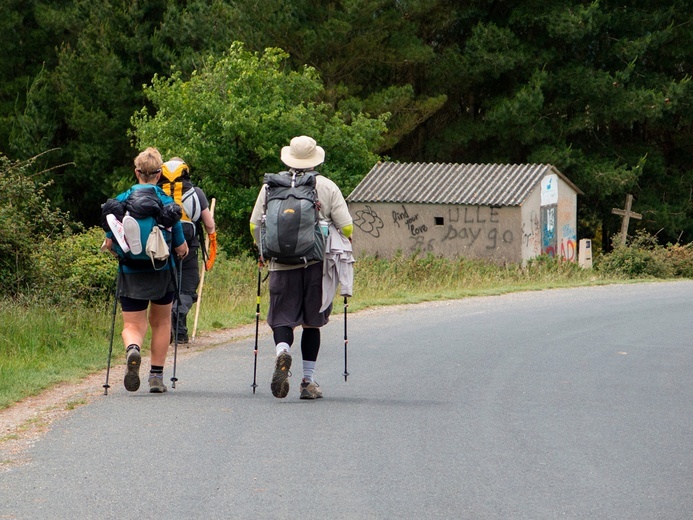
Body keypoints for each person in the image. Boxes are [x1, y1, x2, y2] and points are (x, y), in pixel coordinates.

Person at [249, 135, 353, 399]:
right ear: (315, 158)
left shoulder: (271, 186)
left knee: (282, 317)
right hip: (316, 265)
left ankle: (283, 352)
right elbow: (348, 226)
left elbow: (254, 224)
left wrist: (263, 252)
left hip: (280, 264)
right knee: (311, 323)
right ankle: (307, 382)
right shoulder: (327, 187)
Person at [103, 147, 189, 393]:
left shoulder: (121, 200)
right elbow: (180, 245)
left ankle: (133, 349)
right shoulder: (166, 201)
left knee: (132, 324)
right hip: (162, 269)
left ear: (137, 172)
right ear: (159, 174)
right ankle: (156, 377)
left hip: (131, 270)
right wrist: (181, 250)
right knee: (161, 322)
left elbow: (110, 241)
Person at [158, 157, 217, 344]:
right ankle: (178, 317)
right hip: (188, 247)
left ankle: (179, 334)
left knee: (169, 288)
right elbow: (209, 224)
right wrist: (212, 235)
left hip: (162, 247)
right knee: (187, 288)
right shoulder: (196, 192)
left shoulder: (158, 192)